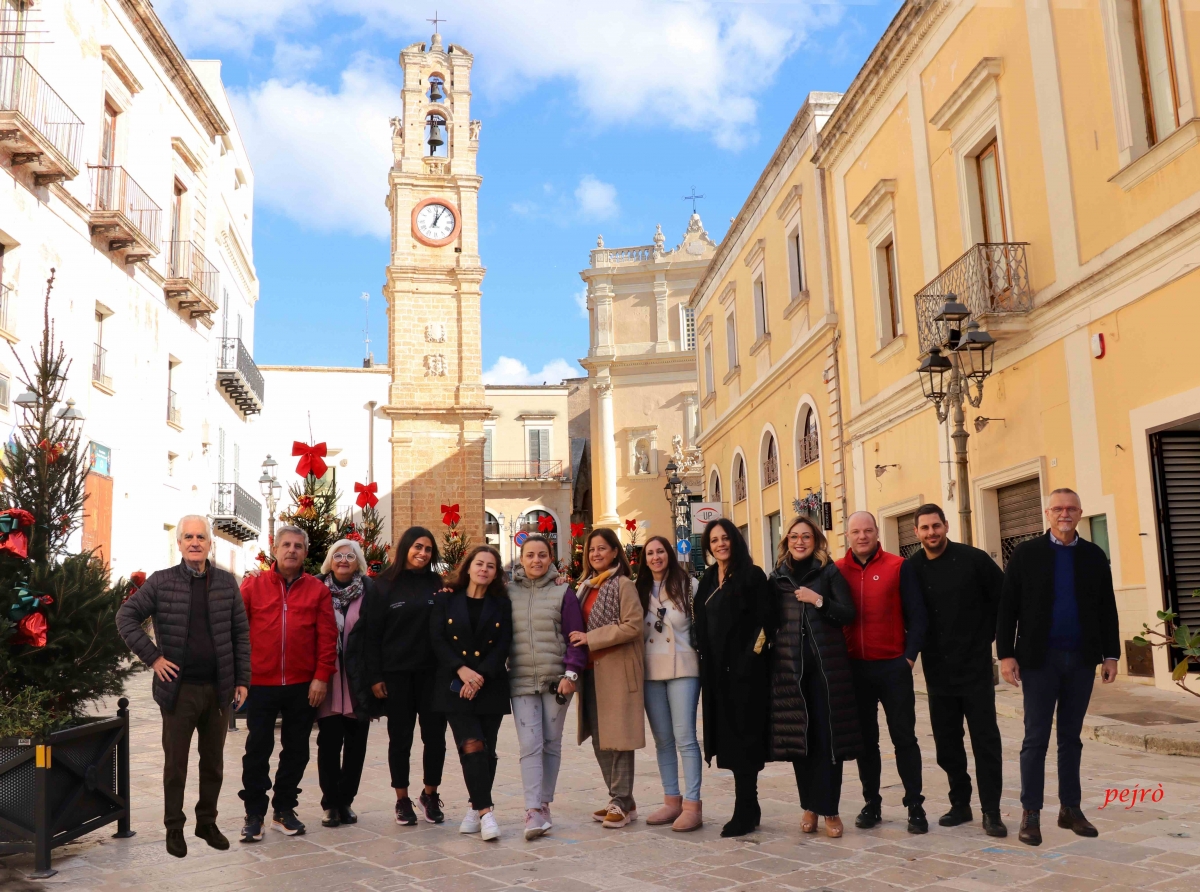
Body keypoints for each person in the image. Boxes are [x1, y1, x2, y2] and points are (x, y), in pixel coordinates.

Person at [116, 516, 249, 858]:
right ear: (179, 543)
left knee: (214, 762)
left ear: (209, 543)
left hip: (218, 690)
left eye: (200, 537)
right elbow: (126, 617)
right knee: (176, 764)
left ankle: (207, 822)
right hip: (178, 690)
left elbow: (240, 634)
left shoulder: (227, 583)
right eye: (188, 537)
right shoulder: (161, 583)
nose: (194, 542)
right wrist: (154, 658)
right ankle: (174, 827)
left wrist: (242, 680)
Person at [998, 488, 1120, 847]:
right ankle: (1030, 814)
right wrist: (1006, 654)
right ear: (1047, 513)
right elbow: (1008, 609)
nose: (1064, 514)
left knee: (1071, 738)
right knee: (1035, 738)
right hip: (1039, 661)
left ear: (1080, 513)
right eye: (1058, 508)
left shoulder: (1094, 556)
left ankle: (1071, 808)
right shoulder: (1026, 553)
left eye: (1071, 508)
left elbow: (1106, 609)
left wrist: (1110, 654)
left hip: (1081, 660)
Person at [905, 504, 1007, 838]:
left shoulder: (974, 559)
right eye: (924, 528)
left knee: (985, 742)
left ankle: (991, 812)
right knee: (948, 745)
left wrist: (990, 636)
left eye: (936, 526)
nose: (931, 533)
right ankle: (959, 804)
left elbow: (1004, 599)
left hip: (975, 669)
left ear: (946, 526)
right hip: (937, 672)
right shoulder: (912, 568)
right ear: (916, 532)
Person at [238, 525, 337, 842]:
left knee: (296, 751)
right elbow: (236, 633)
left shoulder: (317, 591)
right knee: (257, 750)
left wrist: (321, 676)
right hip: (261, 683)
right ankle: (254, 814)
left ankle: (284, 810)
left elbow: (327, 637)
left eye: (298, 546)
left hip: (302, 685)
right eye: (286, 545)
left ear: (305, 553)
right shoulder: (253, 587)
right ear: (275, 550)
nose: (292, 550)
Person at [835, 511, 928, 833]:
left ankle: (915, 805)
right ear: (848, 535)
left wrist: (909, 658)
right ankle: (871, 803)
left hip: (893, 667)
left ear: (877, 533)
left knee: (904, 738)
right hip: (855, 669)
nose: (862, 536)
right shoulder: (837, 571)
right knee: (865, 742)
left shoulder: (898, 567)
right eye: (856, 531)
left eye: (868, 530)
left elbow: (918, 616)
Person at [768, 516, 860, 839]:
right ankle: (809, 805)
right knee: (800, 740)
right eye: (794, 536)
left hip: (827, 670)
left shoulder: (828, 572)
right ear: (786, 542)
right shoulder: (777, 577)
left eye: (806, 536)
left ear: (816, 540)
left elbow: (848, 612)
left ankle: (830, 809)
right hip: (791, 671)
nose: (800, 541)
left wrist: (817, 600)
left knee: (827, 740)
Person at [363, 526, 449, 827]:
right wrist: (374, 676)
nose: (422, 553)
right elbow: (371, 635)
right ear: (405, 548)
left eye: (427, 549)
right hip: (396, 676)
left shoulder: (438, 584)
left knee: (435, 738)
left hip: (433, 675)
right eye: (417, 547)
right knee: (400, 740)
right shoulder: (382, 586)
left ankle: (430, 793)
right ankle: (401, 798)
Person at [693, 519, 772, 838]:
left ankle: (745, 808)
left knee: (745, 741)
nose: (720, 544)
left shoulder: (753, 576)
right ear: (708, 547)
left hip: (746, 675)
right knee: (727, 739)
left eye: (725, 538)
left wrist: (748, 661)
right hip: (716, 675)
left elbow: (767, 626)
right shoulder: (709, 578)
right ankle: (749, 807)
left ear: (734, 540)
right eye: (714, 540)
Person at [430, 545, 513, 841]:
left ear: (495, 573)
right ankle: (486, 813)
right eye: (479, 564)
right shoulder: (446, 600)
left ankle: (472, 806)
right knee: (472, 746)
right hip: (455, 686)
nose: (484, 569)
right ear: (468, 567)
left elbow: (503, 644)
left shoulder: (502, 604)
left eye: (491, 566)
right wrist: (462, 671)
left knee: (487, 749)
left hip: (490, 684)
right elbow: (437, 639)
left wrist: (479, 677)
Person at [507, 534, 586, 840]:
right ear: (521, 558)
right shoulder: (508, 592)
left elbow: (575, 636)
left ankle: (544, 803)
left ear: (550, 557)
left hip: (558, 682)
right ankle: (531, 810)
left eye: (542, 555)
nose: (536, 560)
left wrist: (572, 674)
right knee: (530, 745)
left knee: (551, 743)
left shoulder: (563, 592)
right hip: (522, 681)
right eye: (530, 555)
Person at [571, 527, 645, 830]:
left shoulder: (623, 584)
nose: (596, 554)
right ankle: (621, 800)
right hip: (590, 673)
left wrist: (591, 638)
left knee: (619, 740)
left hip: (616, 671)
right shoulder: (585, 587)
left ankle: (620, 800)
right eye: (591, 550)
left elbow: (633, 626)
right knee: (600, 740)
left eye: (602, 548)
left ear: (615, 551)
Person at [638, 535, 703, 832]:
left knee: (685, 737)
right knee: (662, 739)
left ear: (669, 554)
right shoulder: (637, 590)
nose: (655, 557)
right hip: (651, 669)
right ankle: (671, 800)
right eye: (650, 553)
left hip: (683, 667)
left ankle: (692, 804)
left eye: (660, 551)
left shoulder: (688, 585)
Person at [315, 539, 375, 828]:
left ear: (358, 561)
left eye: (349, 555)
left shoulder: (370, 592)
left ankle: (346, 801)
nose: (343, 560)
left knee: (356, 745)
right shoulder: (315, 589)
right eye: (337, 555)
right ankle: (330, 805)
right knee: (328, 744)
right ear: (330, 559)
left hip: (357, 681)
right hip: (327, 678)